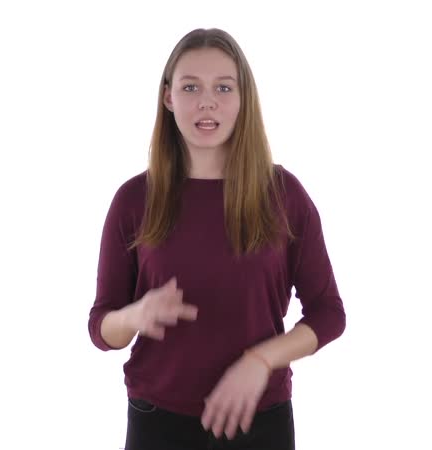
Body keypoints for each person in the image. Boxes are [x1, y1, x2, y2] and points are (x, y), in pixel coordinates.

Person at [88, 28, 346, 450]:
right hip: (157, 421)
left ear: (244, 99)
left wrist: (261, 360)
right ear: (168, 97)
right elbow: (102, 329)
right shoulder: (134, 199)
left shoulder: (284, 194)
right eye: (191, 87)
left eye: (223, 87)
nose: (207, 101)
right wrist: (134, 316)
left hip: (260, 420)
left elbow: (329, 313)